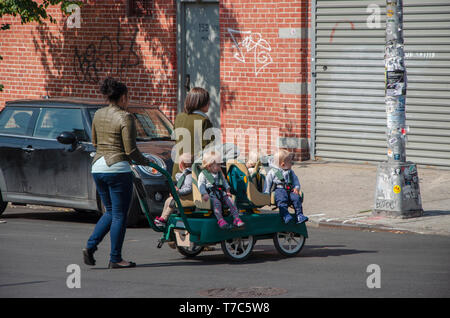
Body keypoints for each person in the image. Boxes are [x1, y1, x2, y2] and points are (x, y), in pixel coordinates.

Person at [82, 77, 150, 269]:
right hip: (118, 168)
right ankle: (116, 258)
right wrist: (146, 162)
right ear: (123, 98)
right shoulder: (126, 117)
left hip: (98, 166)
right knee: (120, 214)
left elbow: (95, 142)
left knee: (111, 211)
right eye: (128, 98)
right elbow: (130, 151)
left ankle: (90, 246)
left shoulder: (98, 114)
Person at [172, 87, 215, 179]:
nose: (209, 103)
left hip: (177, 171)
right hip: (195, 172)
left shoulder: (179, 117)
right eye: (207, 101)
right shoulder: (204, 121)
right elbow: (209, 150)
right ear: (201, 102)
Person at [198, 151, 245, 229]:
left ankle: (236, 218)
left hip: (221, 193)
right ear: (209, 166)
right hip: (211, 195)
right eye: (218, 164)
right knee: (217, 204)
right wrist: (204, 193)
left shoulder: (219, 174)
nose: (220, 166)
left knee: (231, 202)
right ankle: (220, 220)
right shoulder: (203, 175)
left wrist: (227, 190)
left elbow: (225, 183)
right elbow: (201, 185)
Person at [263, 149, 308, 224]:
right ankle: (285, 215)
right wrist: (266, 193)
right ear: (283, 164)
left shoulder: (290, 172)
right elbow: (267, 182)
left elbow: (296, 181)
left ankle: (299, 215)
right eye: (290, 162)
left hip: (290, 189)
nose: (292, 164)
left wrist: (296, 188)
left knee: (296, 198)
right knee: (281, 198)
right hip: (279, 189)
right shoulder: (273, 172)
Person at [154, 152, 193, 227]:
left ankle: (164, 218)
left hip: (187, 197)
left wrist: (178, 191)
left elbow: (188, 189)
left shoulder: (189, 176)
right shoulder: (184, 175)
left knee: (171, 201)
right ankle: (162, 218)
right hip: (182, 196)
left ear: (181, 164)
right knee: (168, 200)